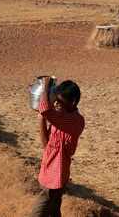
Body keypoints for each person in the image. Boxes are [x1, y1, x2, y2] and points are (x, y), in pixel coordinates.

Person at [30, 78, 85, 217]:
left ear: (72, 102)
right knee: (54, 209)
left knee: (39, 211)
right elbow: (46, 145)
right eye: (56, 100)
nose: (56, 103)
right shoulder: (60, 119)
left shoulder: (74, 120)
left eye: (60, 101)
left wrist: (46, 86)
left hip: (57, 173)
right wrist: (41, 119)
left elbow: (45, 109)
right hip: (49, 169)